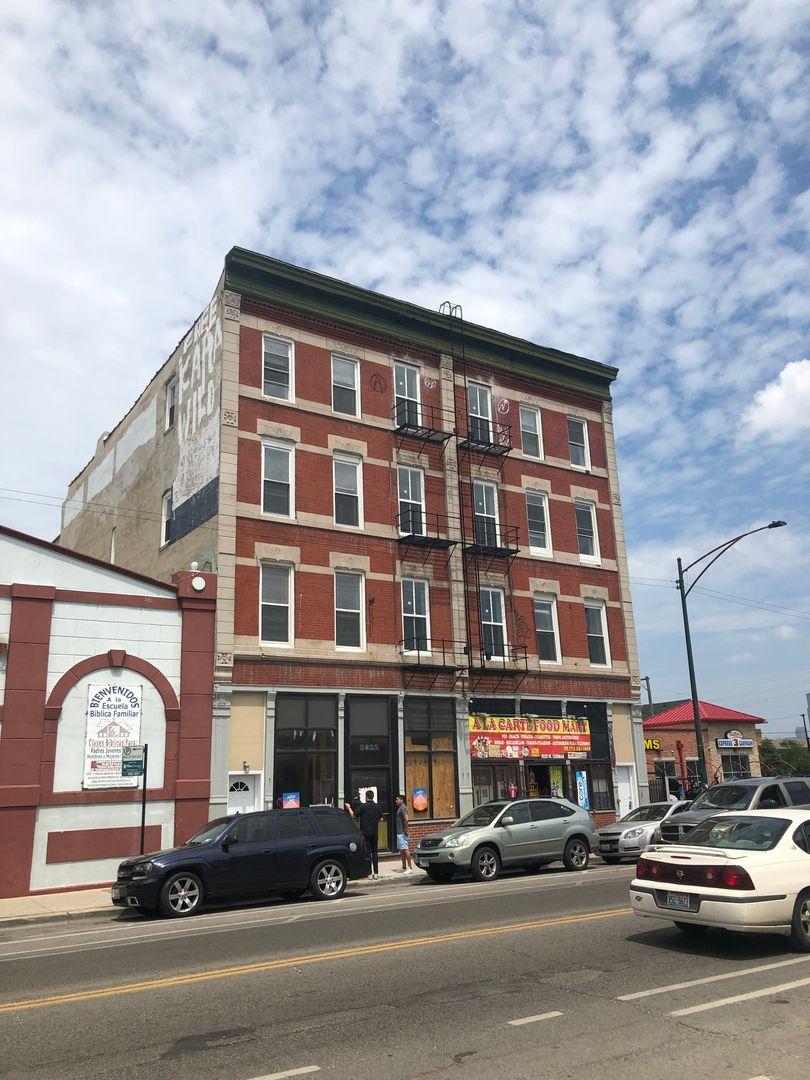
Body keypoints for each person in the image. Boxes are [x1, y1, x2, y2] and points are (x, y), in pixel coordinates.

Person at [348, 790, 383, 878]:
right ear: (373, 796)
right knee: (375, 852)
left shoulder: (363, 807)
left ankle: (369, 873)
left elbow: (354, 816)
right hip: (374, 833)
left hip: (365, 833)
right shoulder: (377, 807)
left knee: (367, 853)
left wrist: (349, 808)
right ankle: (376, 873)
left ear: (366, 797)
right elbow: (381, 819)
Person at [394, 794, 413, 873]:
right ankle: (404, 866)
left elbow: (406, 819)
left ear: (401, 800)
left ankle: (410, 867)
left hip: (402, 833)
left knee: (405, 849)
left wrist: (405, 829)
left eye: (397, 800)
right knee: (401, 850)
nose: (396, 801)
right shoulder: (400, 808)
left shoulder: (403, 808)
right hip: (399, 833)